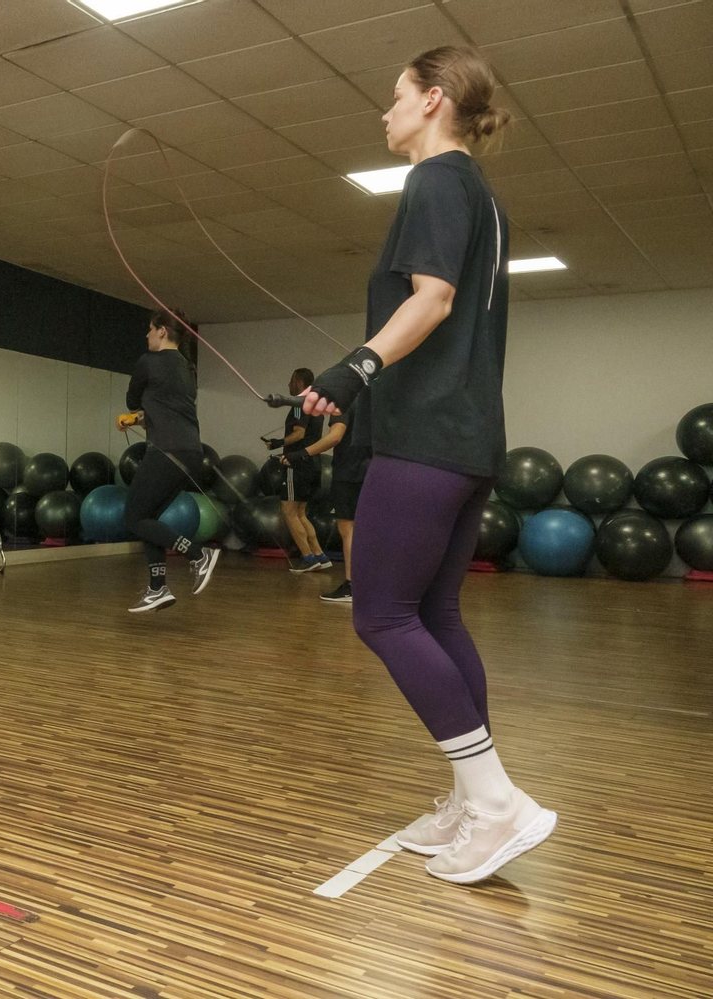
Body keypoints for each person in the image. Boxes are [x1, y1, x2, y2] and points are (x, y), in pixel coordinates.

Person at [300, 46, 555, 884]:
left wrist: (355, 367)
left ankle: (497, 801)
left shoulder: (436, 181)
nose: (387, 111)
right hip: (468, 438)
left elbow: (433, 298)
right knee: (435, 612)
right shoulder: (480, 195)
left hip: (427, 438)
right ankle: (471, 796)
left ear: (434, 99)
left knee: (380, 615)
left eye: (397, 95)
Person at [118, 311, 219, 612]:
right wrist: (140, 419)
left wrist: (134, 414)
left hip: (166, 451)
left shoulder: (148, 362)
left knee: (134, 519)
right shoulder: (187, 368)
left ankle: (198, 554)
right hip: (191, 452)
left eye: (150, 329)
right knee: (148, 520)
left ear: (162, 331)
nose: (146, 335)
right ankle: (157, 588)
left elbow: (132, 400)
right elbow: (166, 410)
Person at [268, 367, 332, 573]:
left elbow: (299, 433)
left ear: (299, 382)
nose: (289, 384)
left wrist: (278, 443)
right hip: (313, 465)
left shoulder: (298, 405)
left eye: (291, 380)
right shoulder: (315, 406)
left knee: (289, 512)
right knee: (300, 513)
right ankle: (319, 555)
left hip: (296, 465)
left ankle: (308, 558)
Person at [309, 391, 371, 604]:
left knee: (348, 530)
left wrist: (303, 453)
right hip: (374, 471)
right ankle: (370, 586)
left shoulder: (344, 402)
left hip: (348, 473)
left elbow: (335, 436)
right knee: (368, 530)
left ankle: (352, 586)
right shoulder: (378, 399)